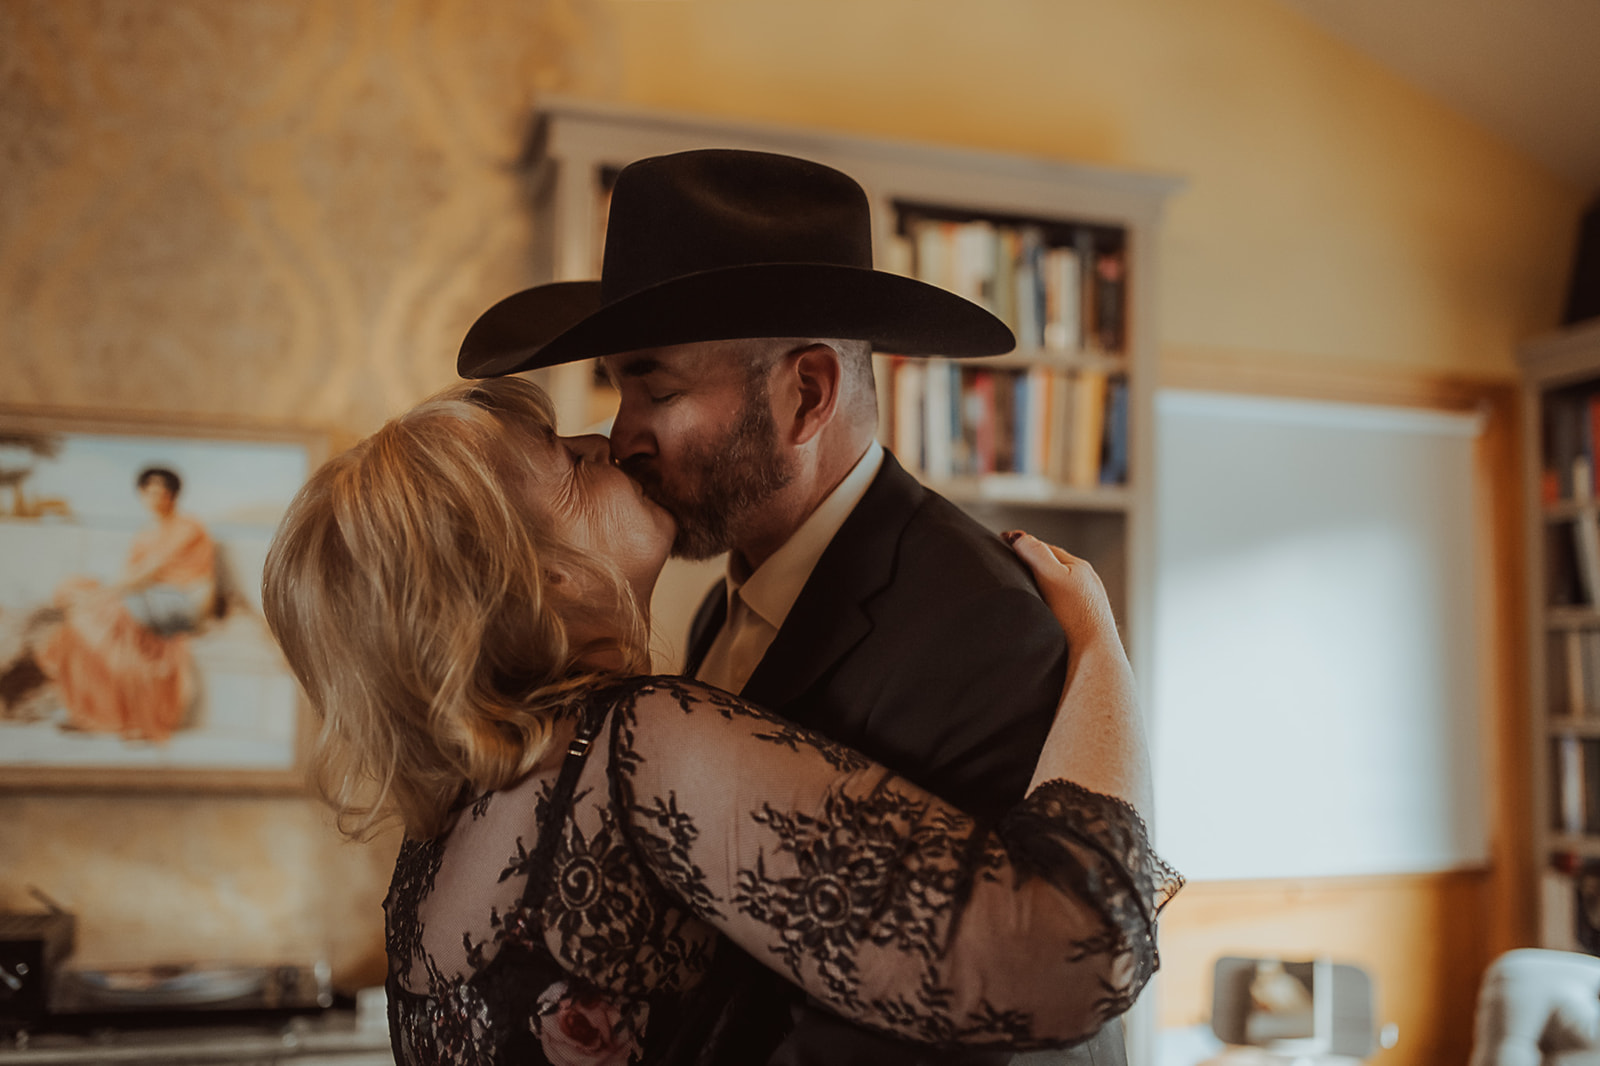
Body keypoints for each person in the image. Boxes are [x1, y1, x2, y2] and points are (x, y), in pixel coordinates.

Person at [260, 376, 1180, 1066]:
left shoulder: (435, 848)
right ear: (536, 577)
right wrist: (1101, 648)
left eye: (650, 388)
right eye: (567, 462)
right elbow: (1077, 951)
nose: (607, 440)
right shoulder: (635, 742)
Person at [457, 148, 1127, 1065]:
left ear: (807, 394)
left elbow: (995, 1006)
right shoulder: (718, 609)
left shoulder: (980, 624)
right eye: (619, 388)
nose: (622, 435)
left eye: (657, 388)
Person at [34, 466, 217, 740]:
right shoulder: (146, 533)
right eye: (149, 492)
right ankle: (90, 709)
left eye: (163, 492)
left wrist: (101, 594)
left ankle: (126, 714)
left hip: (183, 601)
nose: (156, 498)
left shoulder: (188, 526)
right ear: (141, 494)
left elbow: (147, 571)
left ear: (174, 495)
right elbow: (130, 574)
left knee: (105, 615)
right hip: (149, 598)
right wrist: (97, 593)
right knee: (84, 611)